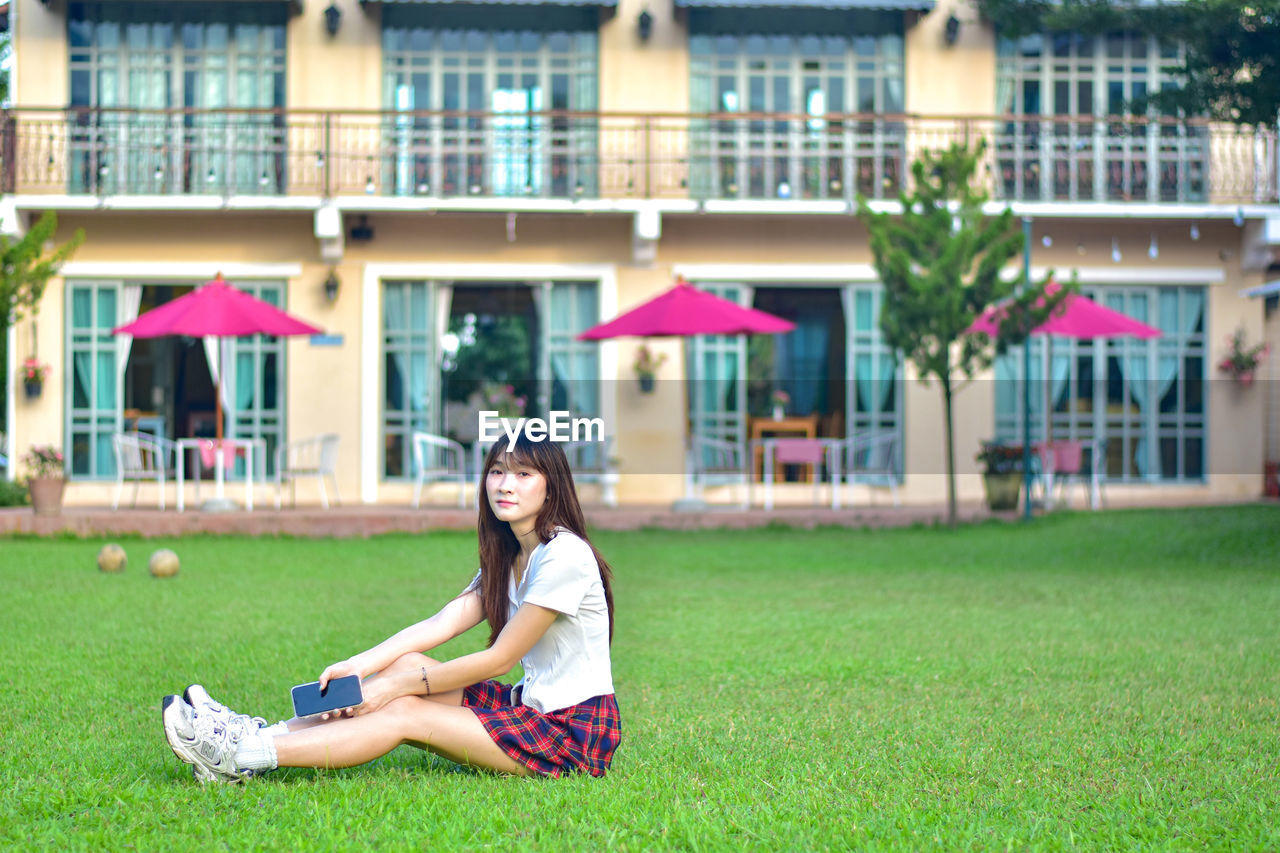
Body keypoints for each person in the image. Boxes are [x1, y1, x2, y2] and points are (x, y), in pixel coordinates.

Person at [162, 433, 620, 781]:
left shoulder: (564, 554)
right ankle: (257, 732)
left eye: (524, 474)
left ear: (550, 485)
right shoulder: (512, 553)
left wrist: (397, 687)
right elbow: (444, 621)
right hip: (528, 709)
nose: (505, 484)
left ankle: (239, 757)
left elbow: (499, 658)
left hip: (572, 734)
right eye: (498, 471)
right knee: (407, 663)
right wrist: (360, 667)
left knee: (404, 710)